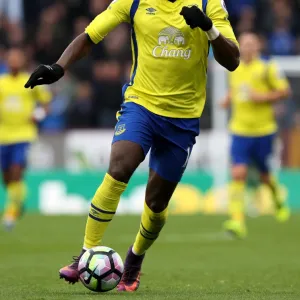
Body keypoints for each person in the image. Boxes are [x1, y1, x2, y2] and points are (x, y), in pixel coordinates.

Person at [25, 0, 240, 292]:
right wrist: (59, 67)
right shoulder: (134, 1)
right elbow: (90, 36)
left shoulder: (208, 3)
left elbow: (233, 60)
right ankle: (86, 253)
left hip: (183, 118)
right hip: (142, 106)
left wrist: (208, 27)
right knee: (120, 167)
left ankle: (136, 256)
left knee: (157, 202)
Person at [220, 32, 291, 239]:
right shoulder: (234, 68)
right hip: (240, 130)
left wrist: (263, 97)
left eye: (252, 44)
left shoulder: (268, 67)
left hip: (263, 131)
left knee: (264, 176)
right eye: (245, 44)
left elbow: (284, 91)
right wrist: (227, 99)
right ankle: (237, 221)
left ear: (258, 46)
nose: (248, 48)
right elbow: (236, 90)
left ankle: (277, 199)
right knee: (238, 173)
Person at [0, 48, 51, 230]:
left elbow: (46, 104)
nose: (14, 62)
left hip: (23, 134)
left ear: (22, 62)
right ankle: (18, 201)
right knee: (6, 178)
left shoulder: (30, 81)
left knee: (16, 171)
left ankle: (10, 212)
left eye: (17, 58)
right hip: (3, 135)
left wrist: (37, 114)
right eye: (10, 59)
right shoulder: (2, 83)